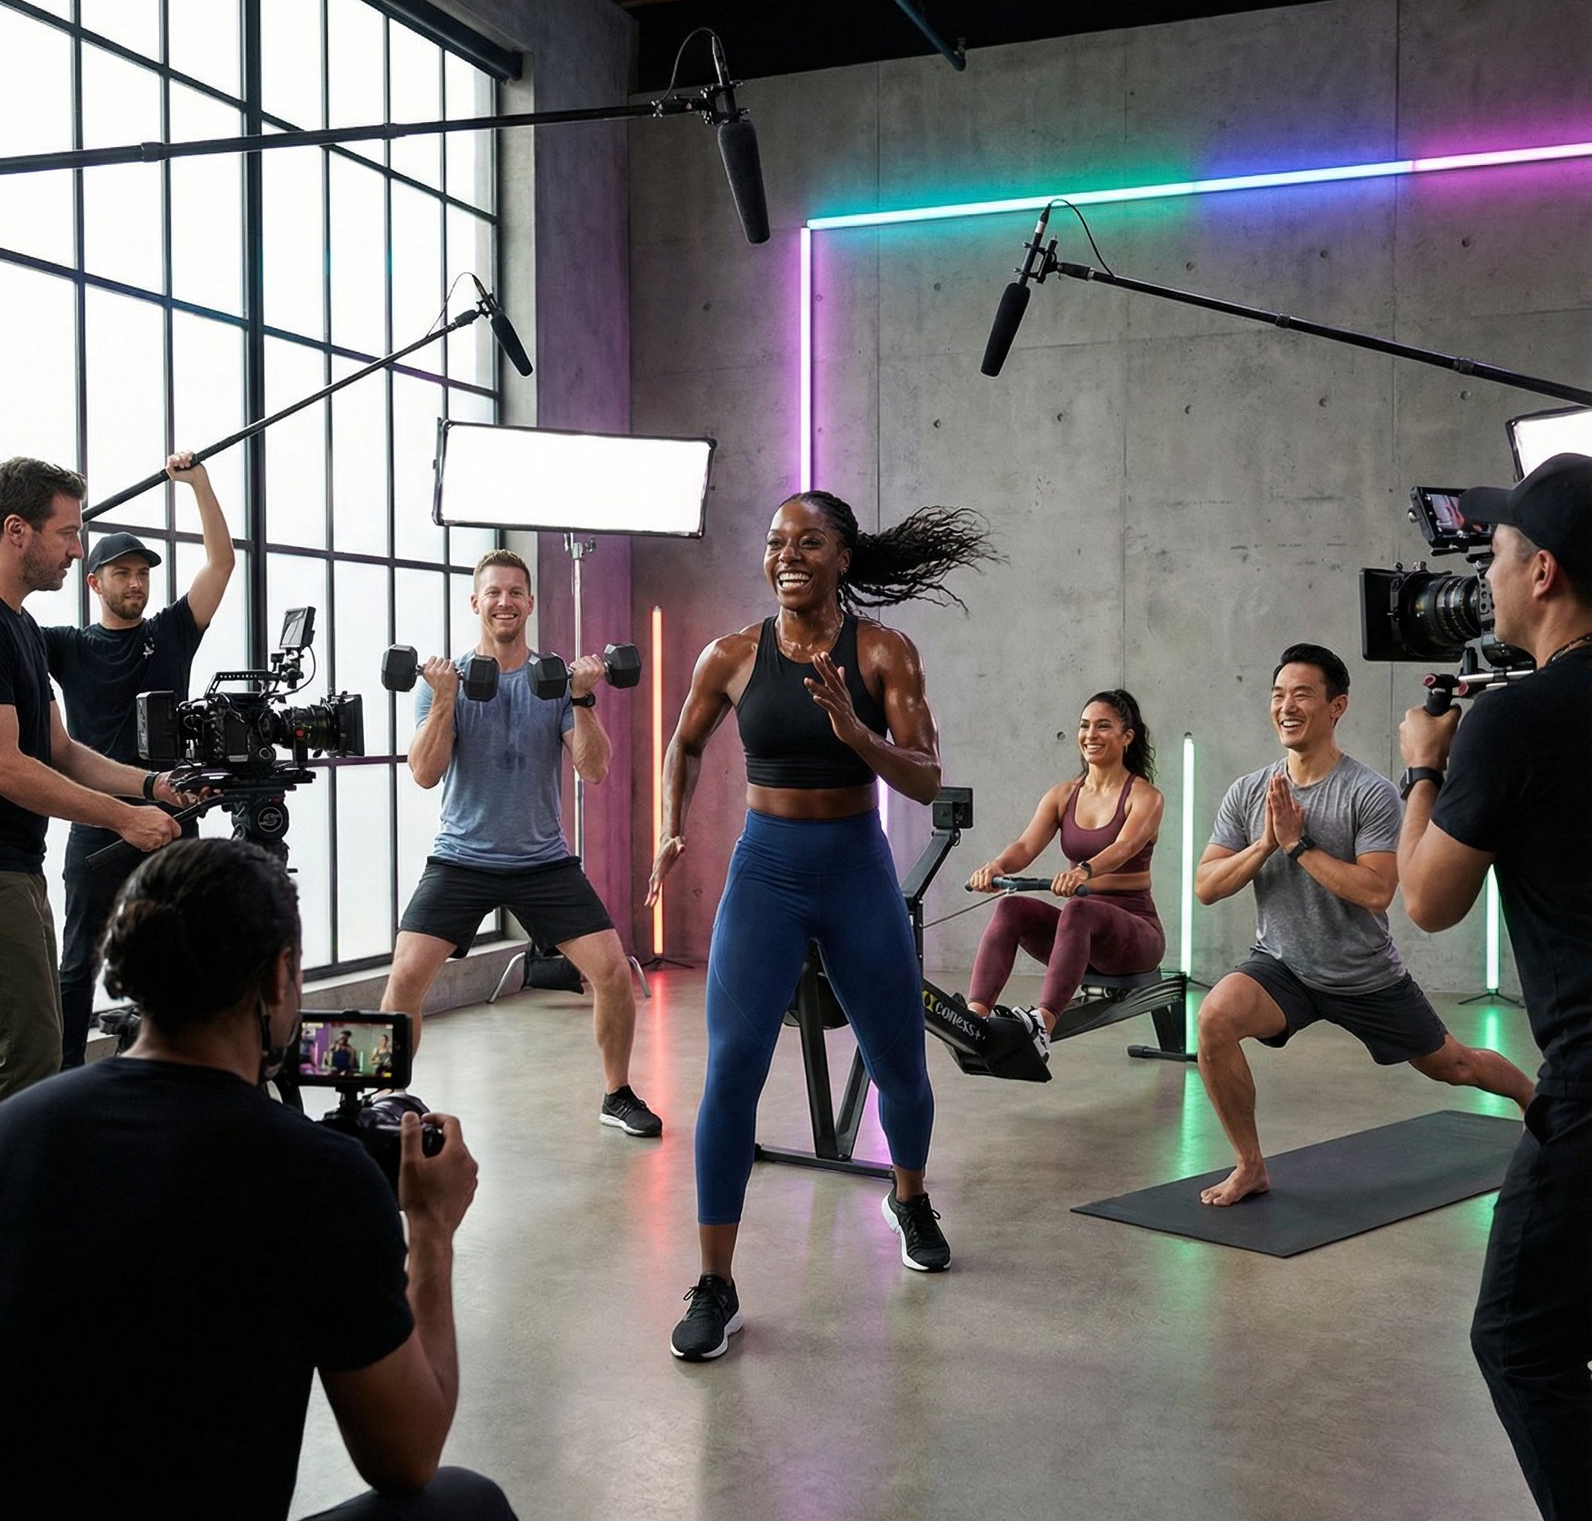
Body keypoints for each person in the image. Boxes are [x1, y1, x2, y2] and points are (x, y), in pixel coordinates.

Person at [0, 837, 519, 1521]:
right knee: (470, 1509)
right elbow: (407, 1456)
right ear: (278, 979)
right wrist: (430, 1229)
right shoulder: (318, 1179)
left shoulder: (10, 1131)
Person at [649, 489, 993, 1361]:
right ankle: (716, 1283)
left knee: (898, 1062)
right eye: (774, 542)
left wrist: (854, 731)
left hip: (852, 870)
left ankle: (908, 1198)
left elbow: (923, 778)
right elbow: (684, 744)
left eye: (808, 542)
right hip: (765, 870)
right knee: (731, 1070)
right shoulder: (731, 654)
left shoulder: (882, 651)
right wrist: (670, 825)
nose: (787, 555)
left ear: (844, 556)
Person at [1397, 452, 1592, 1521]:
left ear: (1545, 573)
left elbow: (1427, 900)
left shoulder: (1512, 724)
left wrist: (1429, 764)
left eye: (1501, 560)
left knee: (1519, 1339)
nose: (1488, 582)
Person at [1193, 641, 1533, 1207]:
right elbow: (1207, 886)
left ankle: (1531, 1096)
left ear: (1337, 707)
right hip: (1282, 966)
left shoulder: (1368, 793)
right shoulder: (1251, 792)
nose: (1287, 706)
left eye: (1303, 694)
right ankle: (1250, 1166)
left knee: (1452, 1064)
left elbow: (1377, 892)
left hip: (1364, 975)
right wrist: (1264, 845)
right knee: (1214, 1020)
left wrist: (1299, 845)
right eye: (1278, 695)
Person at [382, 549, 659, 1136]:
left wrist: (582, 699)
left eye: (515, 592)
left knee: (610, 971)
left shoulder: (552, 680)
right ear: (475, 602)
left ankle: (617, 1093)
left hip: (542, 861)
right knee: (404, 978)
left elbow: (594, 771)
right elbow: (425, 774)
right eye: (493, 593)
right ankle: (383, 1098)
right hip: (462, 856)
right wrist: (448, 701)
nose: (504, 602)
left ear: (530, 603)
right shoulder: (441, 682)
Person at [0, 456, 185, 1104]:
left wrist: (150, 787)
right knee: (27, 1060)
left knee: (34, 1049)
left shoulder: (19, 625)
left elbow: (58, 748)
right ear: (17, 531)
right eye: (68, 533)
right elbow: (4, 765)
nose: (79, 550)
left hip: (21, 864)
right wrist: (125, 818)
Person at [44, 450, 235, 1070]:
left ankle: (185, 1071)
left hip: (175, 819)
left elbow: (222, 562)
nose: (135, 583)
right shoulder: (67, 646)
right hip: (97, 823)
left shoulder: (172, 632)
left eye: (143, 573)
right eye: (121, 573)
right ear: (93, 581)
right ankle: (67, 1076)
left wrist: (197, 482)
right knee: (77, 967)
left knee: (188, 956)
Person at [965, 689, 1165, 1050]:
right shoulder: (1063, 795)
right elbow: (1026, 846)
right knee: (1011, 907)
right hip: (1081, 929)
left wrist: (1083, 871)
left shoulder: (1145, 796)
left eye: (1103, 726)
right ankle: (973, 1017)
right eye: (1085, 726)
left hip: (1135, 934)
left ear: (1127, 737)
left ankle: (1043, 1025)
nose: (1091, 735)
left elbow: (1125, 847)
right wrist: (996, 865)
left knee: (1078, 909)